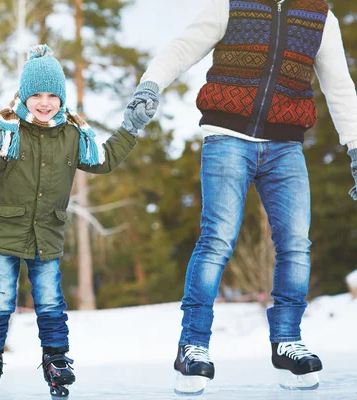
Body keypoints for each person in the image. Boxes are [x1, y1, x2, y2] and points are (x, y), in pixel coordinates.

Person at [127, 0, 357, 395]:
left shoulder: (320, 16)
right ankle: (193, 345)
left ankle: (287, 340)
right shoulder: (231, 4)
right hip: (227, 137)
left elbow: (339, 86)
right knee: (217, 239)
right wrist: (150, 84)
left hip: (286, 145)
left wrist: (355, 146)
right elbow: (182, 47)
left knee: (296, 244)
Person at [0, 44, 155, 398]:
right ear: (24, 95)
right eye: (36, 94)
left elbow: (105, 160)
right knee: (1, 299)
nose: (45, 102)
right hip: (4, 233)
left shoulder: (72, 135)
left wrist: (131, 127)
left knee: (50, 300)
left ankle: (56, 358)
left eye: (52, 95)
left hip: (46, 235)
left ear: (62, 98)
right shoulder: (9, 130)